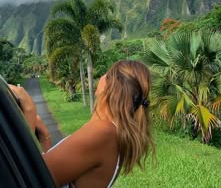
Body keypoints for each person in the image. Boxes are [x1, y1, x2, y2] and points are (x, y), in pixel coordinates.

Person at [10, 60, 156, 188]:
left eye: (106, 74)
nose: (102, 78)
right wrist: (45, 137)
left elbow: (31, 178)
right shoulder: (110, 133)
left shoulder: (103, 132)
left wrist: (29, 111)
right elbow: (52, 173)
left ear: (110, 85)